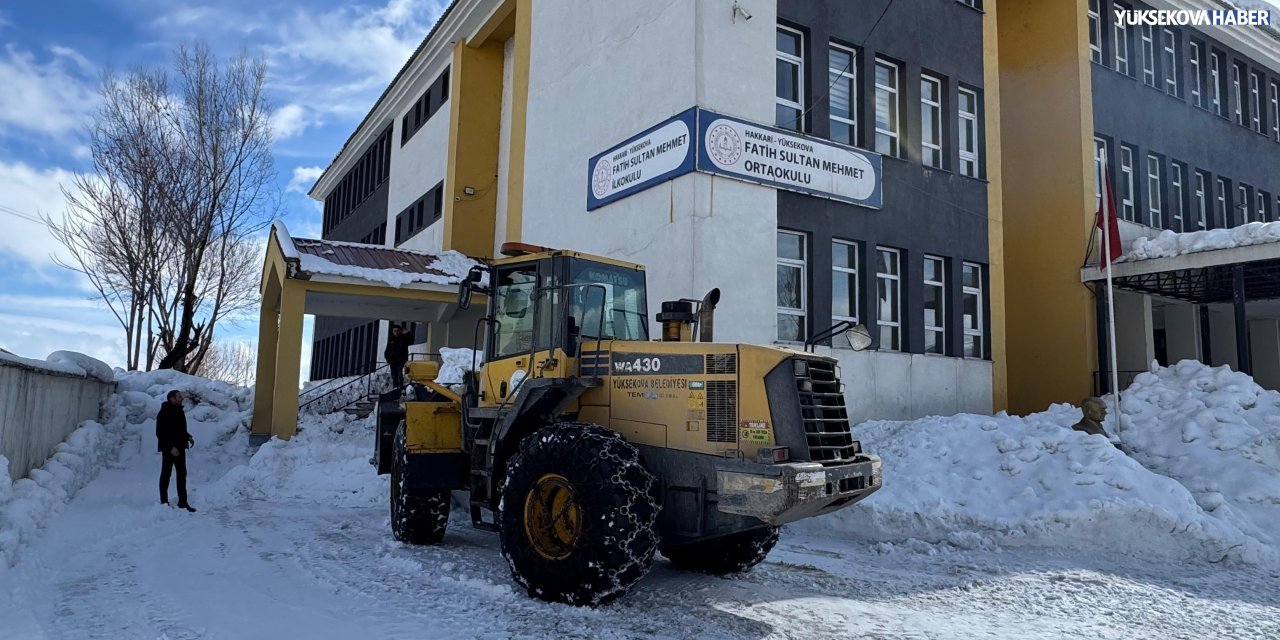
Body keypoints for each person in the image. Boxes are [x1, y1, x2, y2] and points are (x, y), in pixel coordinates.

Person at [156, 390, 196, 512]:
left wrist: (188, 436)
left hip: (180, 447)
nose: (181, 399)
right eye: (179, 397)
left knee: (182, 475)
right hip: (169, 449)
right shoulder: (164, 412)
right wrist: (170, 447)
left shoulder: (179, 410)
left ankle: (183, 502)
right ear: (172, 398)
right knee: (166, 475)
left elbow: (180, 429)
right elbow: (160, 432)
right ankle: (164, 502)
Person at [385, 323, 414, 389]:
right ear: (393, 331)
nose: (396, 332)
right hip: (393, 361)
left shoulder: (404, 338)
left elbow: (411, 341)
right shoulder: (391, 340)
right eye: (394, 331)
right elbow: (387, 351)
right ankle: (395, 388)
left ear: (400, 331)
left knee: (400, 375)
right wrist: (388, 359)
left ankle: (400, 389)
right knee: (394, 376)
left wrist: (408, 333)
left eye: (398, 331)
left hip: (401, 361)